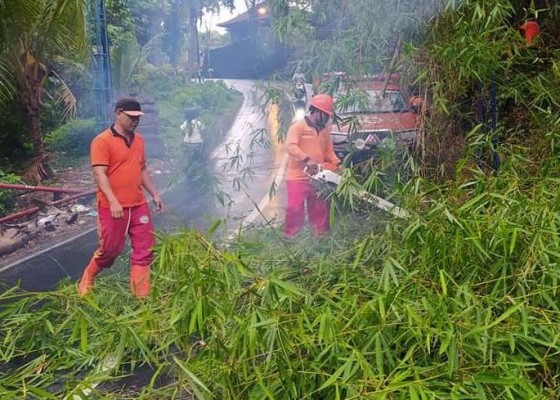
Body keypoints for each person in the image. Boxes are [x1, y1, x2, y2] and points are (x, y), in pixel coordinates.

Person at [78, 97, 164, 298]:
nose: (135, 121)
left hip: (138, 204)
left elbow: (141, 169)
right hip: (113, 207)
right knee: (111, 250)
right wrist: (113, 200)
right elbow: (100, 174)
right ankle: (88, 275)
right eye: (131, 117)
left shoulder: (139, 141)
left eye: (138, 117)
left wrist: (155, 194)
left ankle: (141, 298)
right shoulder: (102, 141)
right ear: (118, 114)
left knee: (145, 250)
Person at [284, 94, 341, 239]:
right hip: (297, 176)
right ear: (316, 111)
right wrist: (307, 159)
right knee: (294, 208)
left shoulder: (324, 130)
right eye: (326, 115)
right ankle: (292, 237)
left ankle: (320, 237)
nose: (328, 119)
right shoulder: (299, 126)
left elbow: (329, 152)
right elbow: (290, 146)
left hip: (318, 177)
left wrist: (338, 164)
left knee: (320, 209)